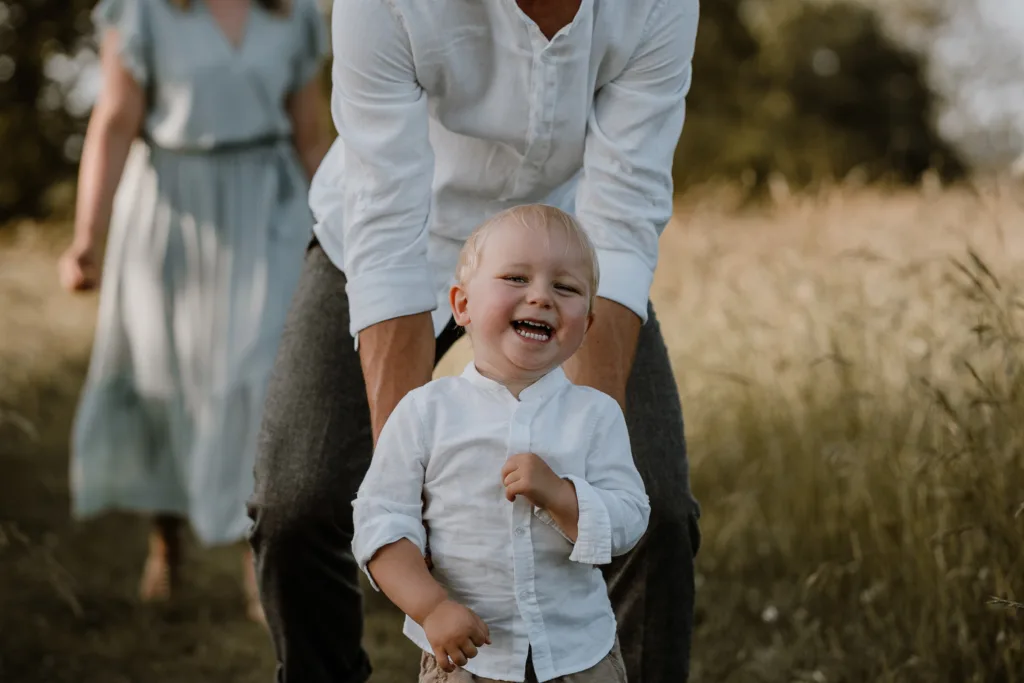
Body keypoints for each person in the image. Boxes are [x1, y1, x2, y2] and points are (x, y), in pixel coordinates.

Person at [248, 0, 702, 680]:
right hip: (394, 242)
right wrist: (417, 527)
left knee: (655, 510)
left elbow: (625, 207)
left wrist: (582, 472)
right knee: (298, 502)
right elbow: (386, 228)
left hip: (564, 257)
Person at [57, 0, 329, 622]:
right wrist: (85, 239)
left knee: (261, 380)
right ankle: (167, 542)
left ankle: (252, 553)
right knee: (167, 378)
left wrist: (349, 237)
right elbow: (115, 121)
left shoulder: (293, 16)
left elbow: (311, 137)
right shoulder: (142, 12)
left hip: (269, 206)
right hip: (170, 210)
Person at [353, 205, 651, 683]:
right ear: (463, 305)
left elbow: (630, 518)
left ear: (587, 326)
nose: (541, 297)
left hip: (577, 656)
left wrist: (562, 495)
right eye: (516, 278)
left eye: (566, 287)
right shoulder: (425, 412)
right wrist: (432, 608)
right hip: (468, 659)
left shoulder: (595, 415)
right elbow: (380, 522)